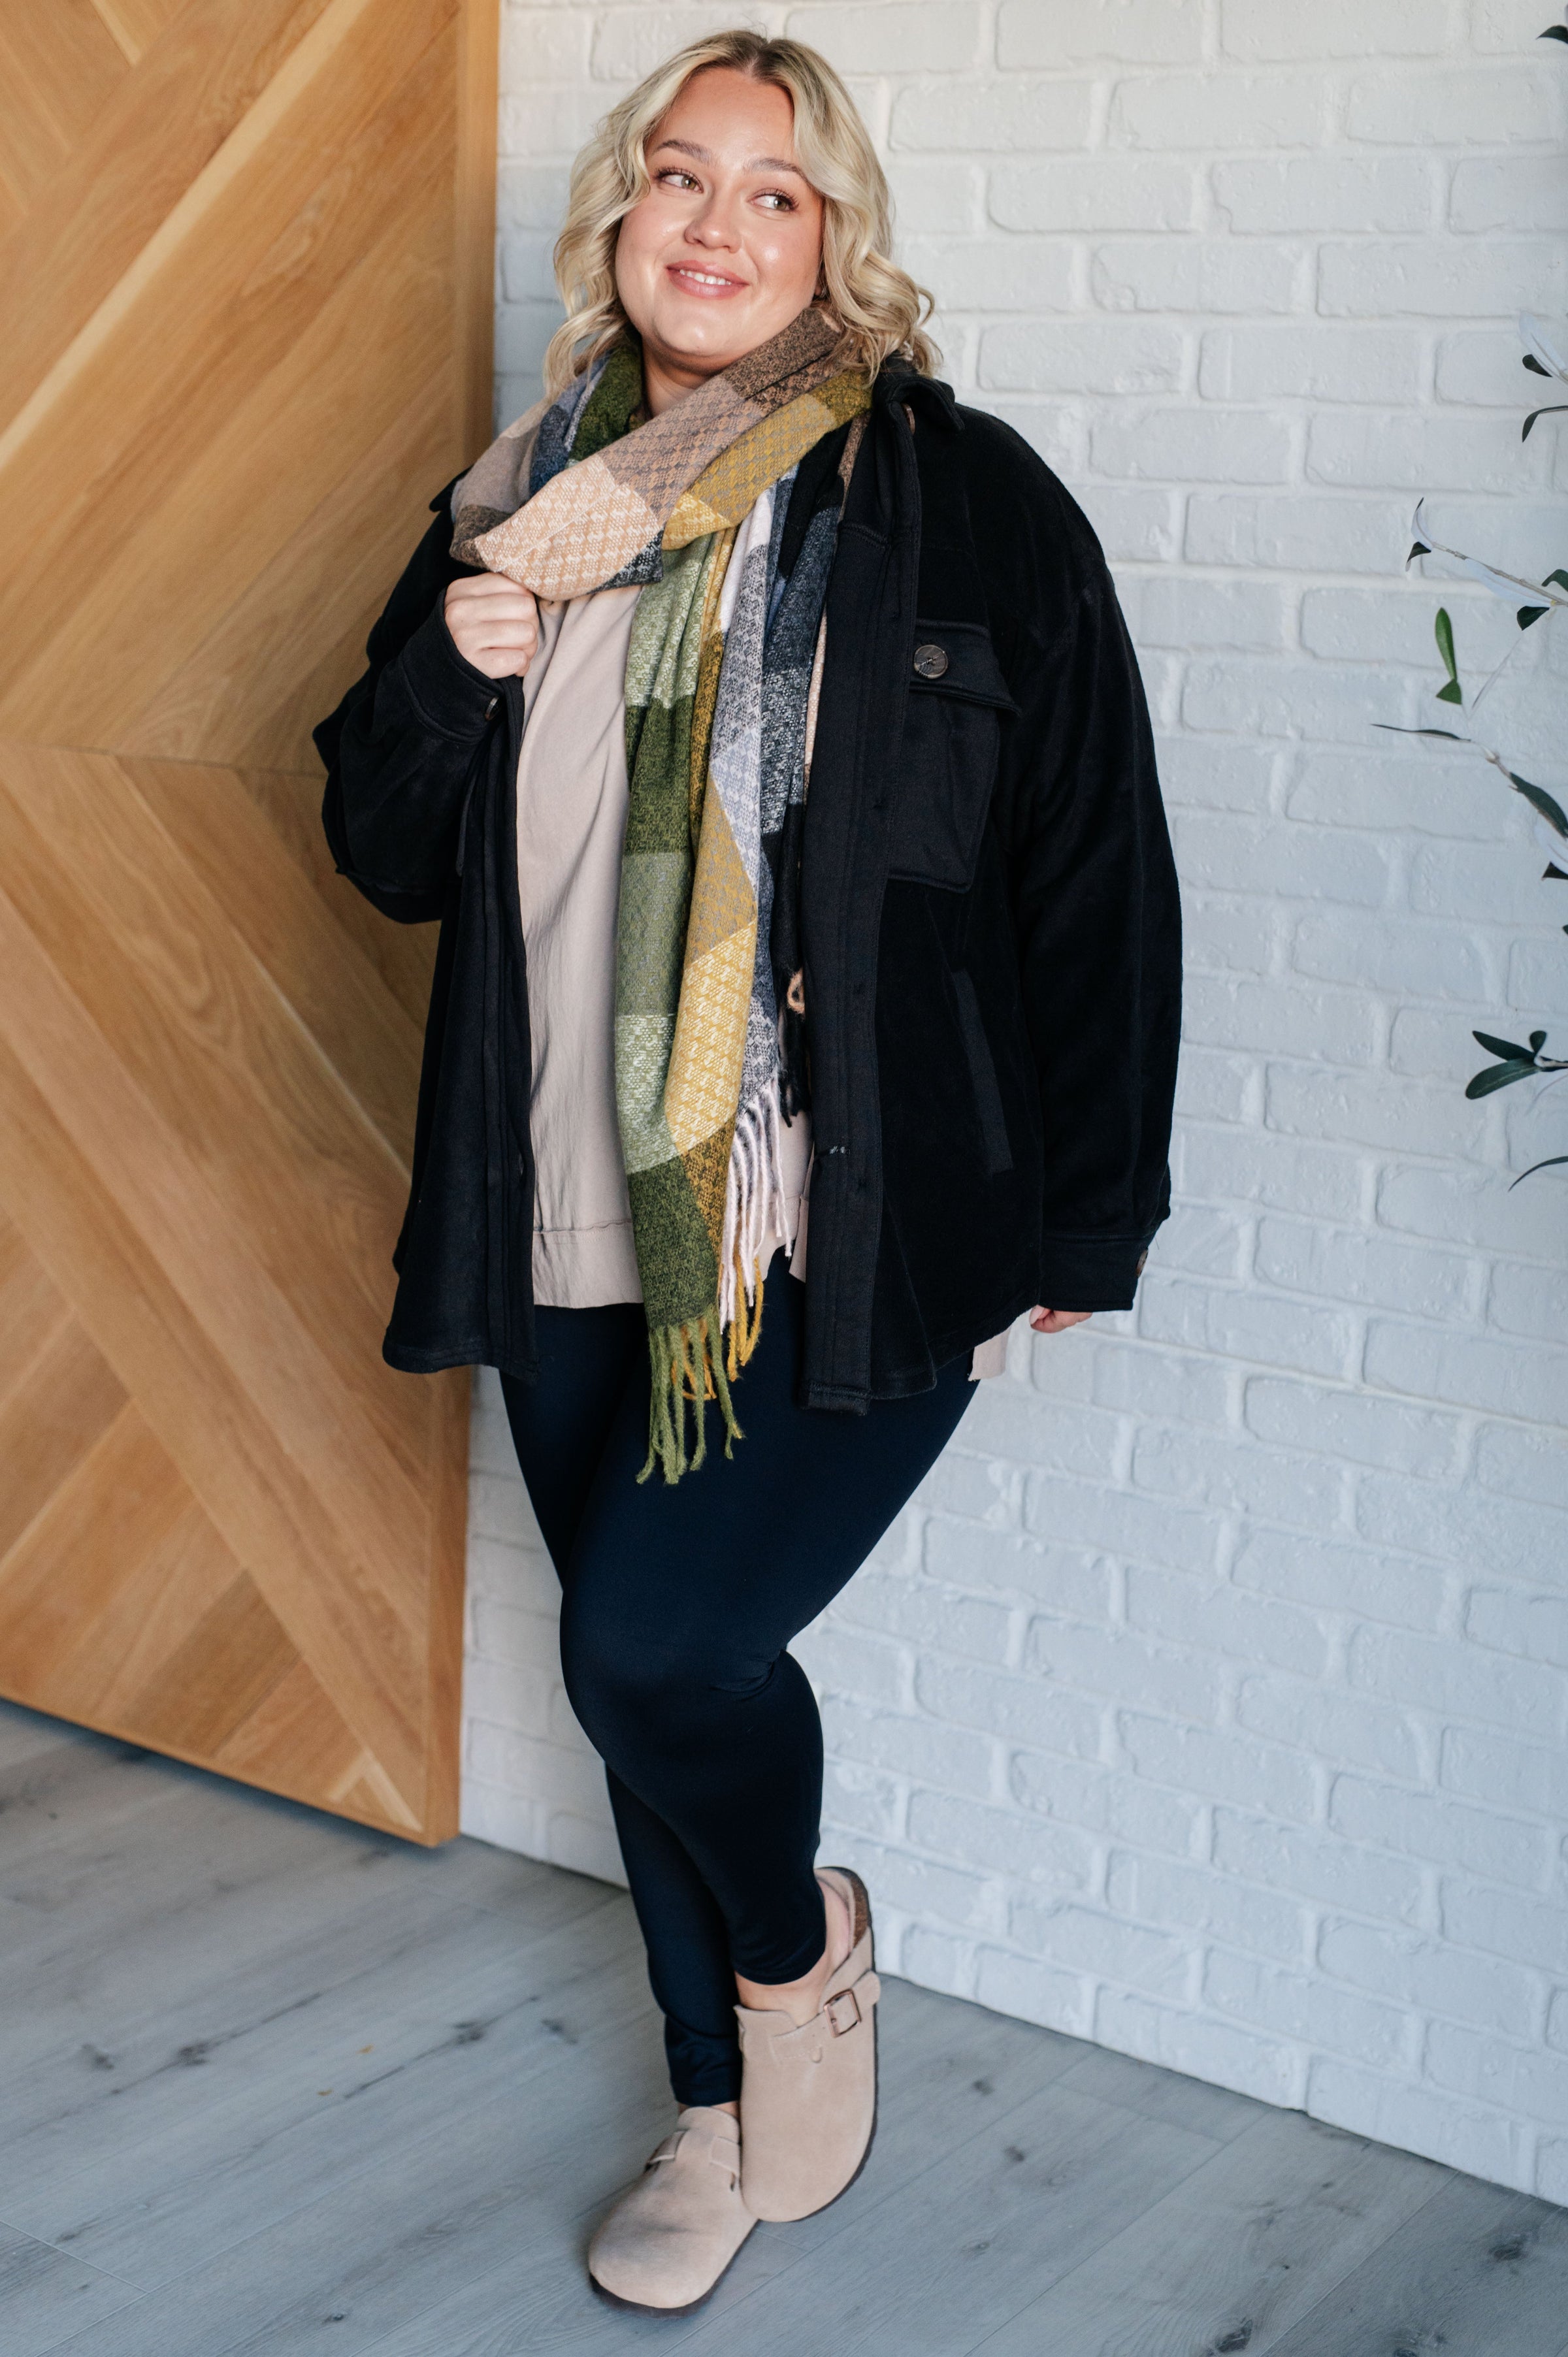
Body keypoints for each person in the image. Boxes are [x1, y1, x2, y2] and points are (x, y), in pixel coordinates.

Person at [316, 26, 1181, 2316]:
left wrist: (1092, 1216)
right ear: (621, 214)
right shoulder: (520, 501)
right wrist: (455, 667)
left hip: (849, 1207)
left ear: (835, 237)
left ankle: (798, 1963)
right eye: (678, 177)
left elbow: (1097, 869)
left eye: (773, 191)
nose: (717, 224)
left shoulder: (961, 497)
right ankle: (712, 2108)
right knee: (643, 1684)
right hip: (566, 1191)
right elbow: (377, 846)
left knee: (656, 1640)